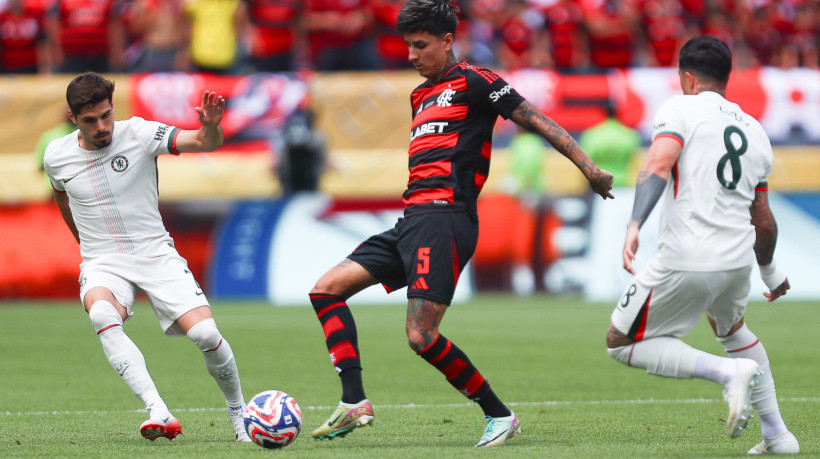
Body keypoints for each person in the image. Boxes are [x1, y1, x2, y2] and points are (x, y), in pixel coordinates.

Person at [308, 0, 614, 448]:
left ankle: (499, 415)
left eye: (421, 45)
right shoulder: (420, 95)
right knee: (326, 289)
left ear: (447, 41)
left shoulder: (477, 80)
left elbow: (536, 120)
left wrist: (588, 168)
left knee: (420, 335)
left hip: (446, 219)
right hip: (411, 220)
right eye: (408, 46)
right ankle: (354, 400)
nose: (412, 55)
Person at [605, 36, 799, 455]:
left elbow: (658, 163)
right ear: (725, 79)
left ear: (686, 77)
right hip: (736, 265)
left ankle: (727, 374)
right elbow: (762, 217)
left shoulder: (680, 107)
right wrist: (769, 272)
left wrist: (635, 222)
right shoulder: (755, 129)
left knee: (620, 342)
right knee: (730, 328)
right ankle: (778, 436)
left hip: (687, 256)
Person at [42, 72, 251, 443]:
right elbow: (61, 195)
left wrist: (212, 127)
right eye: (91, 120)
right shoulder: (56, 156)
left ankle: (240, 414)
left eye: (106, 115)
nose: (102, 126)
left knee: (205, 333)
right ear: (73, 118)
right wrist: (85, 246)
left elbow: (204, 141)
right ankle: (158, 410)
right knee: (103, 314)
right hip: (103, 261)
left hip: (154, 252)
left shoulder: (138, 133)